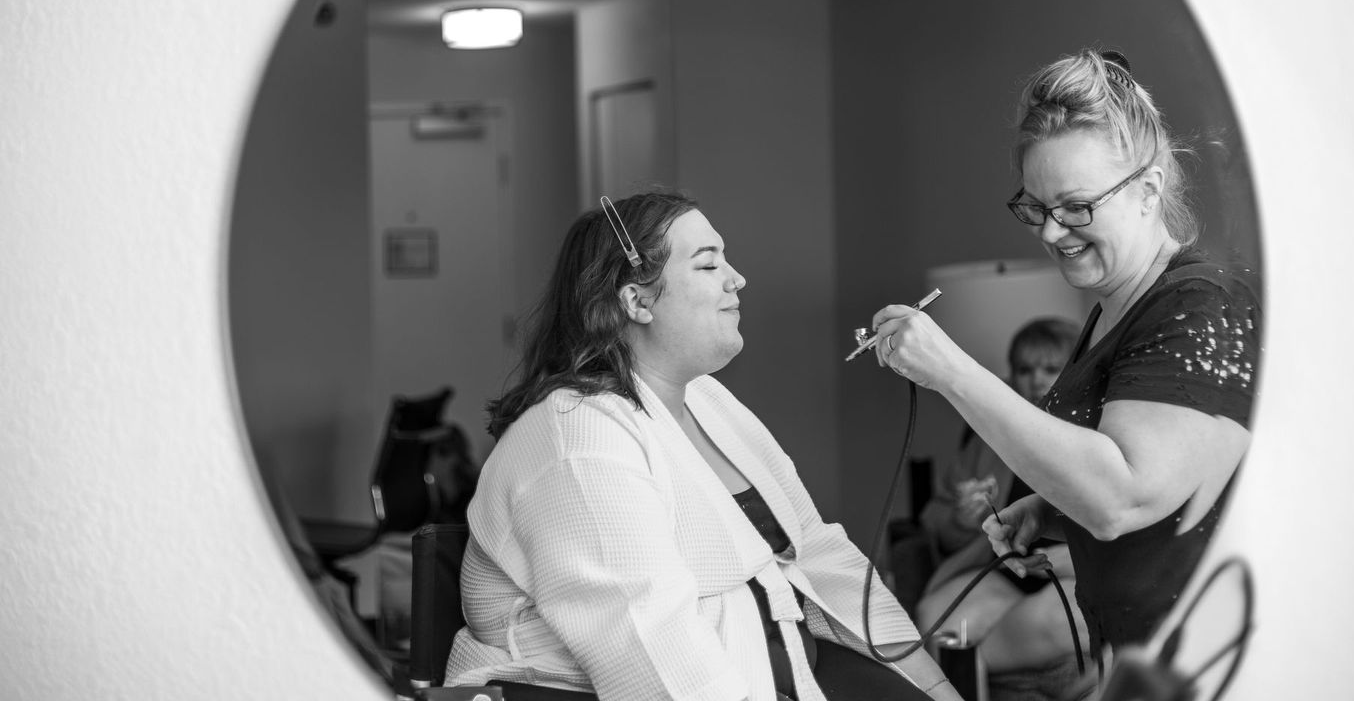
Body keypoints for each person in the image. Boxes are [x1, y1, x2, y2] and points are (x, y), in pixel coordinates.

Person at [445, 191, 962, 701]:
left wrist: (934, 687)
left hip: (780, 670)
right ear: (638, 300)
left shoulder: (710, 401)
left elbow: (818, 554)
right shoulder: (577, 441)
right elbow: (650, 648)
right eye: (708, 264)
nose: (738, 279)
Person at [868, 49, 1258, 666]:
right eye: (1036, 209)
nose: (1051, 233)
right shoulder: (1111, 309)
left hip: (1201, 663)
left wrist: (950, 369)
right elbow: (1156, 478)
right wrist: (1049, 508)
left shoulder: (1199, 304)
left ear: (1149, 190)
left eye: (1077, 207)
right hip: (1127, 655)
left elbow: (1120, 498)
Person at [912, 318, 1088, 689]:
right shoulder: (990, 434)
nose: (1037, 379)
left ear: (1077, 371)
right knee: (935, 618)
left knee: (1064, 619)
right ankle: (974, 670)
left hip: (1079, 574)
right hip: (1007, 570)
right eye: (1025, 369)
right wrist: (962, 519)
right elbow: (935, 522)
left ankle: (970, 669)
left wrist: (1061, 561)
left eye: (1051, 368)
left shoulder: (1097, 433)